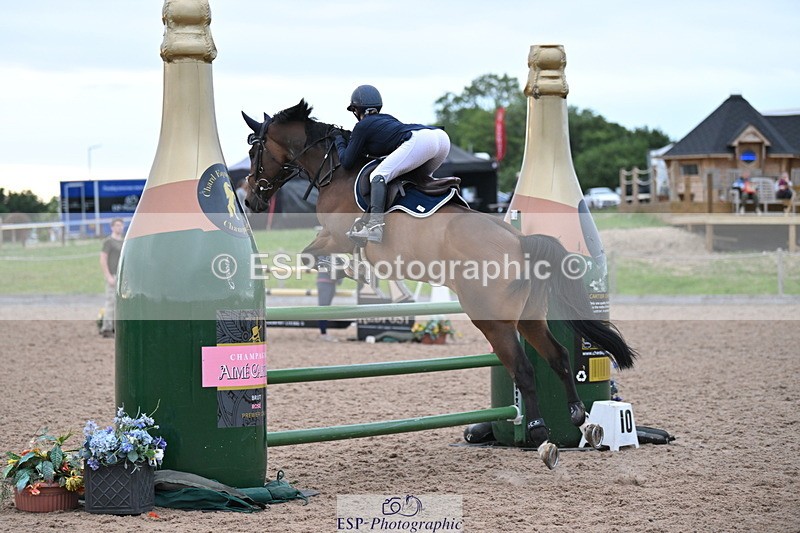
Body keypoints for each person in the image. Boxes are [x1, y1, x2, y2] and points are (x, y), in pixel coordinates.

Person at [334, 85, 451, 244]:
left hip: (421, 140)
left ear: (356, 109)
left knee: (378, 175)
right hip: (441, 139)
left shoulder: (362, 125)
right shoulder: (387, 119)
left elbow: (347, 162)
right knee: (418, 180)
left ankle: (375, 226)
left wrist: (339, 141)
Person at [99, 218, 125, 337]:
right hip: (113, 275)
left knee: (119, 303)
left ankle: (116, 327)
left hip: (122, 276)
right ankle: (107, 328)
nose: (119, 227)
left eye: (121, 225)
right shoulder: (108, 242)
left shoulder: (124, 241)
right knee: (110, 302)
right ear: (112, 227)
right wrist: (108, 276)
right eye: (117, 225)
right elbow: (103, 258)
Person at [316, 256, 340, 342]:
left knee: (325, 309)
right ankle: (323, 333)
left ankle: (323, 332)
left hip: (326, 283)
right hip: (326, 283)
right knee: (324, 309)